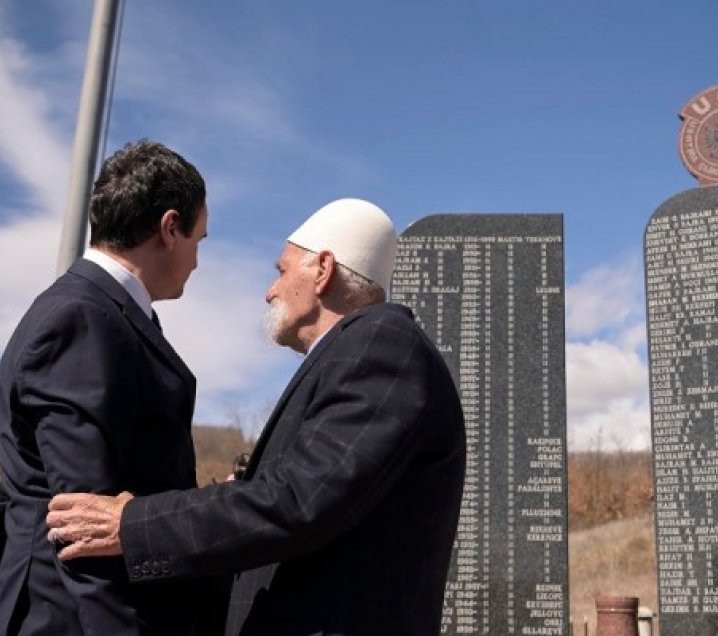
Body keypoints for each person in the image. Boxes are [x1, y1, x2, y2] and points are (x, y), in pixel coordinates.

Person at [47, 198, 467, 635]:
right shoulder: (356, 351)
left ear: (323, 270)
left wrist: (132, 526)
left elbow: (300, 501)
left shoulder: (383, 342)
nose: (270, 290)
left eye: (282, 271)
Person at [0, 139, 216, 635]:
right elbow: (83, 525)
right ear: (169, 228)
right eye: (198, 240)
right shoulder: (83, 318)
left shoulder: (101, 314)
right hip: (72, 618)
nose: (198, 261)